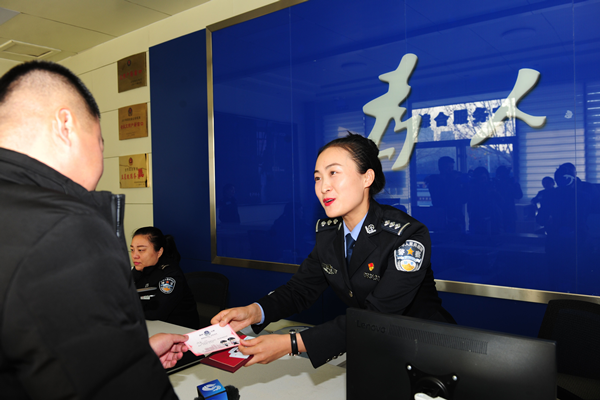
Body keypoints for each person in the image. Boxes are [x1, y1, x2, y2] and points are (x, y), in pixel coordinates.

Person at [0, 60, 187, 398]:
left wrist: (135, 355)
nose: (101, 155)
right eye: (100, 140)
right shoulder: (65, 228)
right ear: (66, 125)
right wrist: (131, 366)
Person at [212, 133, 454, 368]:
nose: (323, 187)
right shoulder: (329, 233)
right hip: (373, 349)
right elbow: (300, 289)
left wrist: (292, 344)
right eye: (317, 178)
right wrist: (254, 312)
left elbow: (377, 315)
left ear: (367, 178)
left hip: (427, 353)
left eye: (333, 173)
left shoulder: (406, 235)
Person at [132, 227, 200, 329]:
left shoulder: (171, 275)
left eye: (141, 250)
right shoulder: (140, 268)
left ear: (159, 252)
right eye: (132, 250)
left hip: (178, 330)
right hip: (148, 326)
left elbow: (155, 312)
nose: (135, 255)